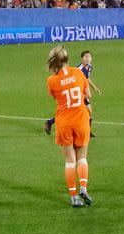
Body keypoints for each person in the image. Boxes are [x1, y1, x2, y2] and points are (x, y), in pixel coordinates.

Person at [47, 46, 93, 208]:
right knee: (82, 158)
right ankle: (84, 188)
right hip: (81, 119)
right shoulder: (79, 73)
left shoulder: (51, 80)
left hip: (64, 122)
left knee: (69, 161)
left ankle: (73, 196)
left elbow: (56, 97)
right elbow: (88, 94)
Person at [45, 50, 100, 136]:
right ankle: (87, 131)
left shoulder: (89, 67)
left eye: (89, 57)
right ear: (82, 58)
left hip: (82, 91)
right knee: (82, 111)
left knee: (87, 111)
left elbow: (86, 78)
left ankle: (50, 122)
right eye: (86, 57)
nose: (88, 59)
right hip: (77, 92)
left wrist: (94, 87)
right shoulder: (79, 69)